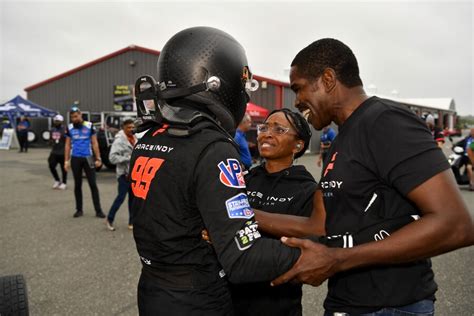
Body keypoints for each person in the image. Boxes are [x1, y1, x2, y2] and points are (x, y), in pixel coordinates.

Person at [263, 38, 473, 315]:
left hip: (391, 306)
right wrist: (242, 213)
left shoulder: (385, 122)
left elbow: (456, 224)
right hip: (349, 303)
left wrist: (338, 259)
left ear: (327, 79)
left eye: (299, 88)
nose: (298, 100)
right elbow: (320, 225)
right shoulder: (343, 137)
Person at [130, 26, 301, 315]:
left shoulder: (150, 137)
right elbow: (242, 256)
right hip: (196, 297)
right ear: (218, 84)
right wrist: (316, 254)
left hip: (153, 289)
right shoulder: (212, 146)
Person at [231, 108, 316, 316]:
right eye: (264, 127)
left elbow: (301, 247)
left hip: (276, 303)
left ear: (298, 145)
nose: (266, 134)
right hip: (231, 298)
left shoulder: (307, 190)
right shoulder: (245, 180)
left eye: (279, 129)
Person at [64, 106, 105, 218]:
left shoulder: (89, 126)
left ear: (80, 115)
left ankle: (98, 210)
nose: (74, 119)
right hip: (75, 158)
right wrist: (66, 161)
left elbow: (95, 143)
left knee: (93, 184)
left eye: (76, 116)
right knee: (77, 185)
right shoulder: (70, 127)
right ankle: (79, 209)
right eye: (72, 117)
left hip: (89, 158)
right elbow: (67, 145)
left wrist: (98, 158)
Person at [105, 119, 137, 231]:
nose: (131, 129)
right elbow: (112, 158)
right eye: (129, 127)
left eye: (133, 127)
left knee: (133, 200)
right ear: (123, 127)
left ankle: (131, 222)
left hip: (134, 175)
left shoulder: (135, 138)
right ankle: (109, 219)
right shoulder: (119, 141)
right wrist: (128, 158)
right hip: (123, 175)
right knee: (120, 198)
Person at [48, 114, 67, 189]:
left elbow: (68, 140)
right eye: (55, 121)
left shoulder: (65, 129)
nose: (56, 122)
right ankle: (57, 180)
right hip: (54, 151)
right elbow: (50, 138)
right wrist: (50, 142)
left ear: (61, 121)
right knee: (51, 165)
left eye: (58, 121)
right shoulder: (52, 129)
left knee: (63, 168)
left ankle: (64, 182)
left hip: (63, 152)